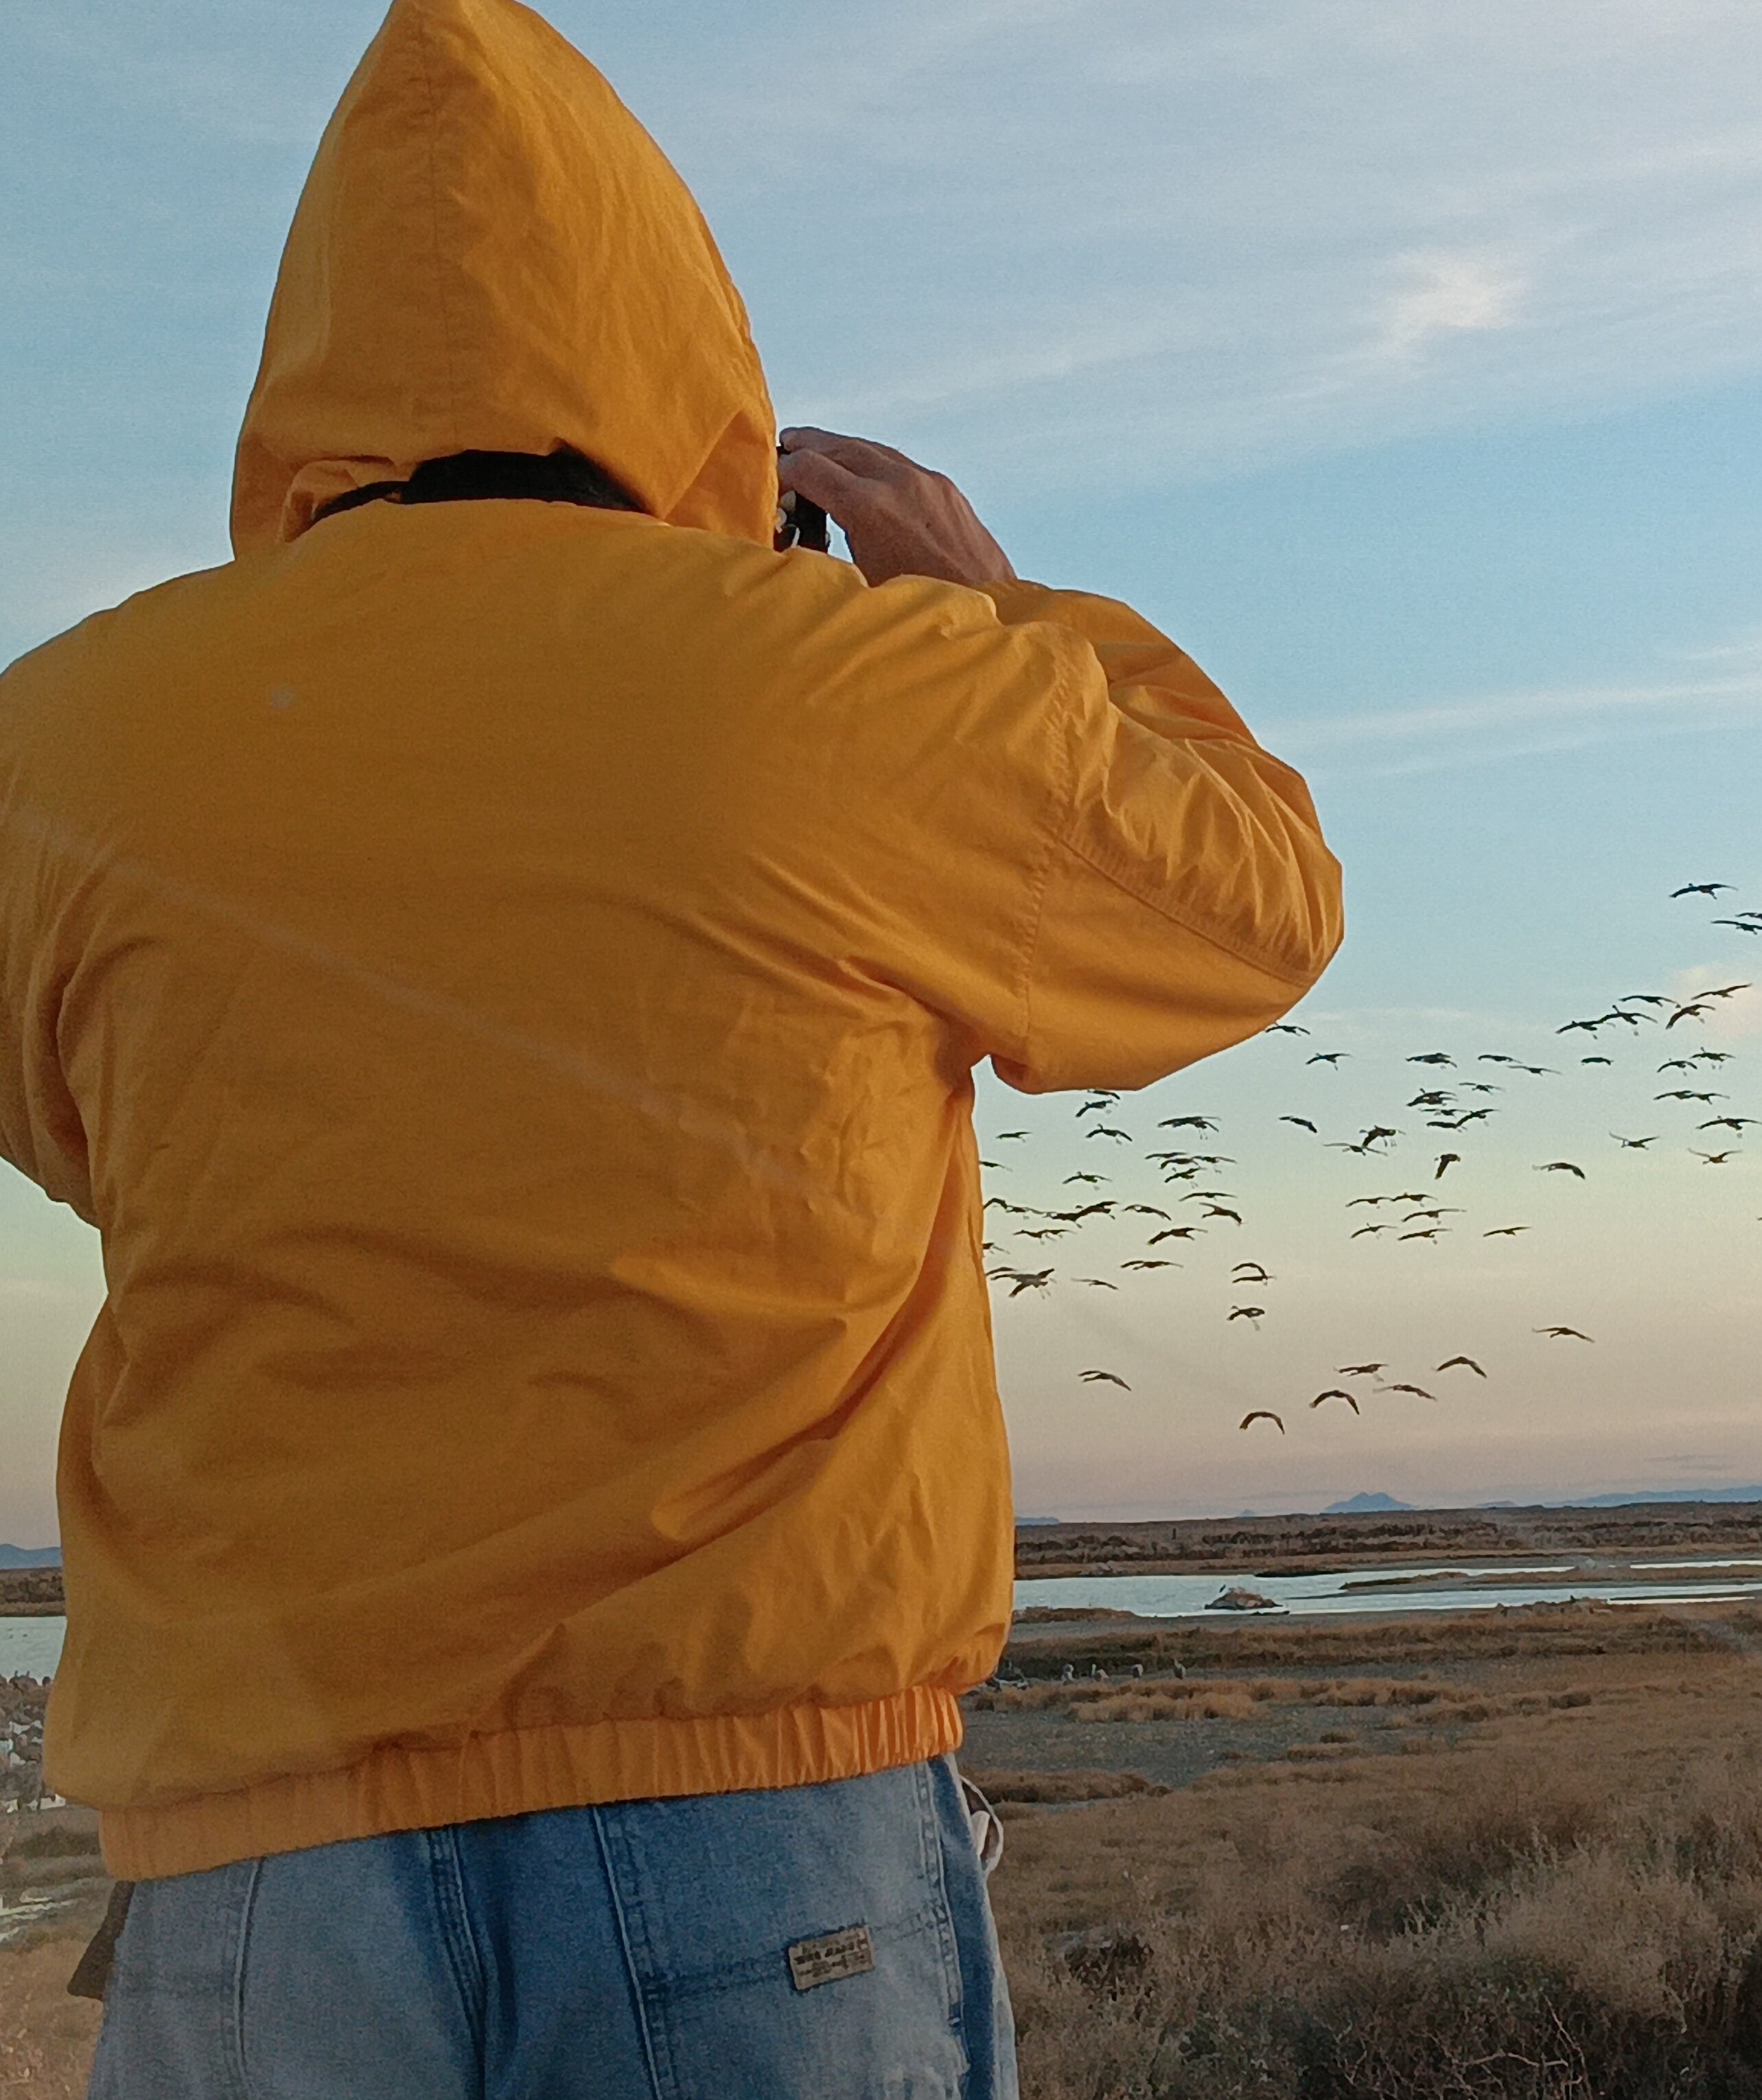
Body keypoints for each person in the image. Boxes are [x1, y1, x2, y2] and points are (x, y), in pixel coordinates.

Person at [0, 0, 1341, 2091]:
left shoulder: (64, 742)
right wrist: (1003, 613)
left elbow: (83, 1121)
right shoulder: (848, 689)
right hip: (760, 1842)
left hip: (258, 1880)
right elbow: (1257, 896)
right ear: (667, 332)